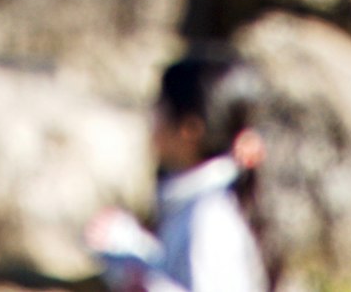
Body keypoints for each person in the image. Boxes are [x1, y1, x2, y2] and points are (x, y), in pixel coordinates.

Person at [86, 48, 269, 292]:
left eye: (160, 105)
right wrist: (126, 249)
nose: (152, 117)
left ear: (190, 129)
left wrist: (134, 271)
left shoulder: (211, 216)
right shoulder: (204, 201)